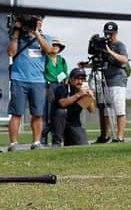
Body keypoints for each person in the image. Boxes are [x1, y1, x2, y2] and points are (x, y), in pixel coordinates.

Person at [6, 15, 57, 151]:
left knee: (37, 113)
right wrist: (16, 34)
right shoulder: (20, 37)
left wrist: (36, 33)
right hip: (19, 78)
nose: (38, 23)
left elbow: (49, 50)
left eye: (40, 21)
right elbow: (10, 52)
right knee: (16, 113)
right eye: (35, 21)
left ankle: (36, 142)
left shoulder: (46, 37)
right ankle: (13, 143)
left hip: (38, 80)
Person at [97, 21, 130, 143]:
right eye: (106, 33)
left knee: (119, 108)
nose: (109, 36)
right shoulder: (103, 45)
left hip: (117, 80)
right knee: (106, 109)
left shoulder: (119, 45)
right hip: (105, 80)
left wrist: (110, 51)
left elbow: (124, 59)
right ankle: (105, 136)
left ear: (116, 33)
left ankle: (120, 136)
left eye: (111, 34)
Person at [51, 67, 94, 146]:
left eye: (82, 79)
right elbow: (62, 103)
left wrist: (89, 97)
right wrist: (78, 95)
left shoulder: (83, 91)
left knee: (82, 144)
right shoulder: (62, 88)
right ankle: (56, 142)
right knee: (61, 112)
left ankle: (69, 141)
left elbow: (91, 110)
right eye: (77, 79)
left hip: (74, 124)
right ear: (70, 80)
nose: (80, 82)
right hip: (59, 123)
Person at [42, 36, 69, 145]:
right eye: (53, 45)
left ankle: (56, 139)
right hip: (47, 86)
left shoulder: (62, 60)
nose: (55, 47)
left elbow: (65, 74)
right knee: (45, 114)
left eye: (58, 45)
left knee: (56, 113)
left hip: (59, 87)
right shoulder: (44, 58)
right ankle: (42, 140)